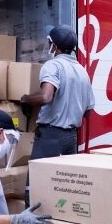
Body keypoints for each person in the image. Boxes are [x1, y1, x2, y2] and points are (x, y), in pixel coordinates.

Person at [20, 24, 95, 204]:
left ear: (55, 46)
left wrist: (26, 99)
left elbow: (46, 97)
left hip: (50, 136)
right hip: (71, 138)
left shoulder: (53, 65)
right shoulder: (82, 71)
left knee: (37, 187)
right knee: (63, 187)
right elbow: (89, 111)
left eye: (49, 43)